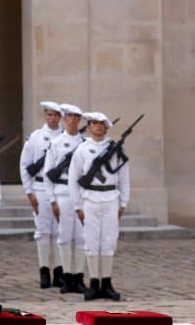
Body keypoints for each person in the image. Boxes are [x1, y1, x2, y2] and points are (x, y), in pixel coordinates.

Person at [68, 111, 130, 301]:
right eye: (94, 123)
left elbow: (124, 177)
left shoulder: (115, 149)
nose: (98, 126)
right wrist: (77, 205)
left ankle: (107, 282)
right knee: (92, 241)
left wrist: (124, 202)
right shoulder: (82, 149)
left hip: (111, 197)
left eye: (101, 123)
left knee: (109, 240)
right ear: (89, 126)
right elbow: (73, 178)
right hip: (90, 198)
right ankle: (94, 282)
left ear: (106, 126)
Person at [20, 101, 64, 288]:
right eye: (49, 115)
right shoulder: (36, 138)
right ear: (44, 116)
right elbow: (25, 165)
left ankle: (60, 272)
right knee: (43, 231)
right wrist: (29, 192)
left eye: (55, 115)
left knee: (60, 232)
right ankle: (44, 270)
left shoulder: (66, 137)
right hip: (40, 188)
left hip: (61, 188)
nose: (52, 118)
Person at [44, 103, 86, 294]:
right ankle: (66, 276)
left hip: (81, 193)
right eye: (69, 116)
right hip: (62, 192)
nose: (72, 120)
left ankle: (79, 276)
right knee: (65, 236)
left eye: (76, 117)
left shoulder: (85, 143)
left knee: (81, 237)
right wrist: (52, 199)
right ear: (64, 119)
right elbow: (48, 173)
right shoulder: (56, 143)